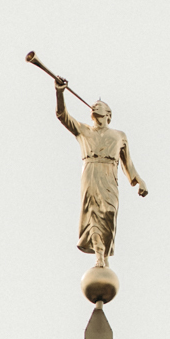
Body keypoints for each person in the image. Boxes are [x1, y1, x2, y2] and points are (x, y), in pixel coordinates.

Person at [54, 79, 147, 267]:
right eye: (94, 105)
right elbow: (63, 115)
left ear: (108, 114)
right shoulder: (83, 130)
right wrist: (59, 93)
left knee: (109, 213)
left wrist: (139, 180)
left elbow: (127, 163)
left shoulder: (119, 135)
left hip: (109, 175)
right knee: (93, 215)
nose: (95, 106)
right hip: (91, 172)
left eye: (100, 105)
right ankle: (99, 256)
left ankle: (104, 254)